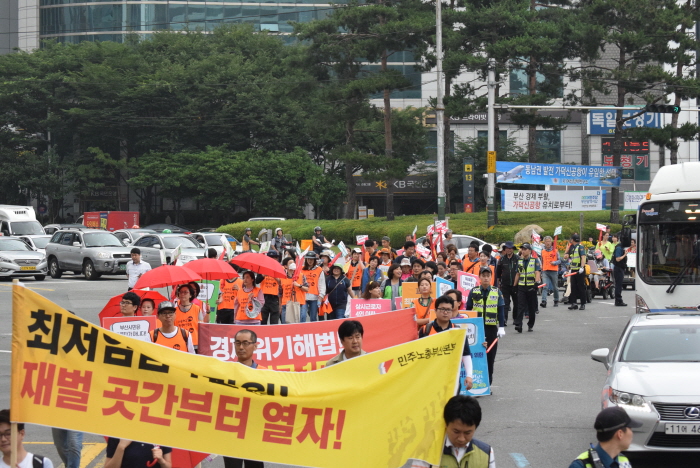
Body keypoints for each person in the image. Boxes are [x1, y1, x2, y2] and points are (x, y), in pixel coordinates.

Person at [410, 396, 494, 468]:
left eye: (467, 433)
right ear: (446, 424)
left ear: (476, 427)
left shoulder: (486, 453)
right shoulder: (426, 452)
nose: (461, 439)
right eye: (456, 431)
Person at [223, 333, 266, 468]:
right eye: (238, 343)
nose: (241, 347)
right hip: (231, 433)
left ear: (255, 346)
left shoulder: (265, 374)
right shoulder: (225, 372)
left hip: (255, 433)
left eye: (246, 343)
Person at [418, 296, 473, 391]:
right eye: (442, 309)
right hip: (430, 379)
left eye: (448, 310)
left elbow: (465, 354)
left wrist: (469, 375)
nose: (445, 312)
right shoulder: (425, 330)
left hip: (452, 378)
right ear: (435, 310)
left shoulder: (458, 332)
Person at [465, 267, 506, 384]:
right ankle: (476, 384)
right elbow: (468, 310)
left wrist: (501, 327)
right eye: (483, 276)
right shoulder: (473, 291)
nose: (486, 278)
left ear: (491, 277)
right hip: (477, 329)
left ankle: (487, 384)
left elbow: (501, 310)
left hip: (491, 328)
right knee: (476, 356)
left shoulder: (496, 291)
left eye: (488, 276)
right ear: (480, 278)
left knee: (490, 357)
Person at [568, 407, 641, 468]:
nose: (632, 433)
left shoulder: (624, 461)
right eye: (630, 429)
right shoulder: (580, 465)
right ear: (620, 434)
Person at [512, 243, 541, 333]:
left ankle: (530, 324)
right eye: (522, 249)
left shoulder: (534, 260)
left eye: (525, 249)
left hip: (531, 287)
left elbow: (537, 272)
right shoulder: (520, 261)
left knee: (531, 307)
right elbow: (517, 274)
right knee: (520, 306)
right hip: (521, 287)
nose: (523, 251)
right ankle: (519, 324)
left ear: (529, 250)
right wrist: (514, 286)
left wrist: (536, 283)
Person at [105, 438, 171, 468]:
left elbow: (168, 465)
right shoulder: (118, 435)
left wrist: (162, 461)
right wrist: (121, 447)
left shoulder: (161, 434)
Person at [301, 251, 325, 322]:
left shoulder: (319, 270)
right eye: (308, 259)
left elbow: (322, 284)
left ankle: (312, 331)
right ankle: (302, 331)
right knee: (302, 316)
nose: (310, 261)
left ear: (315, 260)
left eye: (311, 259)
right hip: (303, 296)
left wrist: (320, 297)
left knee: (313, 318)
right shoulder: (302, 269)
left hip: (314, 297)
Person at [259, 252, 281, 325]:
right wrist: (263, 275)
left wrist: (275, 276)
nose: (273, 259)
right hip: (263, 297)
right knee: (263, 320)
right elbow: (257, 280)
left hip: (274, 297)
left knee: (274, 321)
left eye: (275, 257)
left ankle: (273, 335)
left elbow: (283, 283)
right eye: (271, 257)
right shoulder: (262, 268)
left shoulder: (280, 268)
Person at [567, 234, 588, 310]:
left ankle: (583, 303)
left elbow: (583, 257)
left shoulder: (580, 247)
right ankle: (574, 303)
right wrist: (569, 266)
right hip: (573, 269)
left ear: (573, 240)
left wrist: (582, 267)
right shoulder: (572, 248)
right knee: (573, 287)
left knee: (581, 287)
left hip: (579, 270)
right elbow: (571, 258)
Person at [539, 236, 561, 308]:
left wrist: (554, 263)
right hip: (545, 271)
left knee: (555, 287)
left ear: (551, 242)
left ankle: (556, 300)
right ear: (544, 243)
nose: (548, 243)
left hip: (554, 271)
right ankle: (544, 301)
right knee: (545, 286)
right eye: (546, 241)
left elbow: (560, 260)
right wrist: (541, 267)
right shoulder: (542, 251)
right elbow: (541, 261)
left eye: (549, 241)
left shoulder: (555, 251)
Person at [611, 233, 628, 307]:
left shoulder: (621, 247)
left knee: (619, 284)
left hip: (620, 268)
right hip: (618, 268)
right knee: (618, 284)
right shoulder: (619, 248)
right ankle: (618, 300)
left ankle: (618, 300)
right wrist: (625, 255)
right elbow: (617, 259)